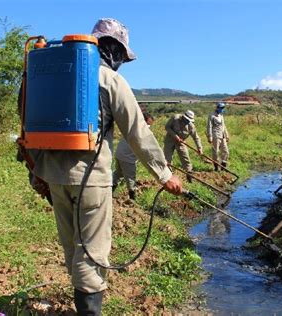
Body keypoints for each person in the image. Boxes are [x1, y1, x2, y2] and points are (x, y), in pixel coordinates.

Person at [30, 18, 183, 315]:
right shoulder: (110, 80)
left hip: (53, 176)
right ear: (114, 50)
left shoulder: (54, 71)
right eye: (122, 57)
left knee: (73, 246)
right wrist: (164, 174)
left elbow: (30, 121)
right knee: (93, 252)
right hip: (92, 180)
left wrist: (36, 171)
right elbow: (138, 133)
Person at [113, 112, 154, 200]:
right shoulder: (140, 131)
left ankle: (108, 192)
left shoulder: (131, 125)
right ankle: (132, 199)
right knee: (131, 178)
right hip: (127, 158)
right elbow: (147, 149)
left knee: (118, 174)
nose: (149, 127)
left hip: (119, 154)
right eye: (148, 125)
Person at [163, 110, 203, 182]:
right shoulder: (175, 118)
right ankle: (169, 177)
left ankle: (189, 176)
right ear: (183, 117)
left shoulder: (191, 126)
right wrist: (175, 136)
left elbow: (196, 137)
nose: (187, 122)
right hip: (170, 140)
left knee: (186, 158)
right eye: (186, 120)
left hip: (181, 142)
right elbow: (167, 127)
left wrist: (199, 148)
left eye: (189, 120)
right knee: (167, 159)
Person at [206, 102, 230, 171]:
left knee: (226, 151)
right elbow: (209, 127)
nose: (222, 109)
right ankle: (216, 167)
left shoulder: (221, 115)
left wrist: (227, 135)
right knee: (215, 151)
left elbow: (223, 126)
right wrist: (209, 136)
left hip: (222, 136)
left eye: (223, 108)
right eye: (221, 108)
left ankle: (223, 165)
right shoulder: (212, 116)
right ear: (217, 108)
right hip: (215, 135)